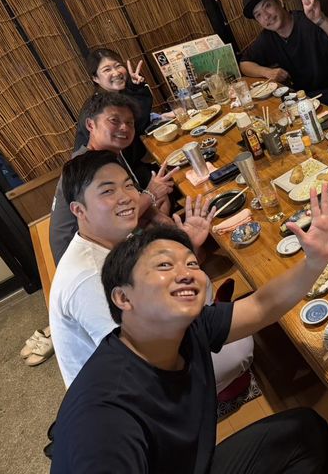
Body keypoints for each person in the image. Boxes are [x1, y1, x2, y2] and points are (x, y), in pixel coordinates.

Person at [50, 184, 328, 472]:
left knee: (304, 431)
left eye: (191, 264)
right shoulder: (105, 419)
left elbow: (261, 306)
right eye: (164, 265)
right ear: (123, 298)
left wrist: (315, 262)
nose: (186, 274)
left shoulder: (185, 329)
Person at [49, 150, 253, 392]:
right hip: (132, 392)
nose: (125, 197)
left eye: (128, 185)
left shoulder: (110, 238)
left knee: (202, 290)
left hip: (146, 346)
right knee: (241, 346)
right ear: (79, 210)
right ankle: (202, 396)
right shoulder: (90, 278)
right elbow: (139, 361)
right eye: (107, 191)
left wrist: (187, 247)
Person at [50, 92, 176, 265]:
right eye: (114, 120)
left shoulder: (107, 155)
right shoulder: (88, 166)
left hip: (103, 236)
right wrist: (151, 193)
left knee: (162, 205)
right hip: (89, 258)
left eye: (130, 123)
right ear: (90, 124)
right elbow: (113, 220)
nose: (124, 128)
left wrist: (162, 218)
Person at [239, 0, 328, 107]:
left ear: (280, 1)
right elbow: (244, 64)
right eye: (258, 15)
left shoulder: (308, 21)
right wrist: (266, 72)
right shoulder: (267, 38)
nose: (266, 16)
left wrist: (320, 20)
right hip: (304, 99)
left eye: (267, 6)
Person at [73, 48, 153, 173]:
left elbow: (139, 121)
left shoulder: (119, 97)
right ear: (95, 78)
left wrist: (135, 87)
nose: (116, 73)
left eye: (118, 66)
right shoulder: (99, 107)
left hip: (132, 165)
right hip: (106, 172)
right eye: (107, 70)